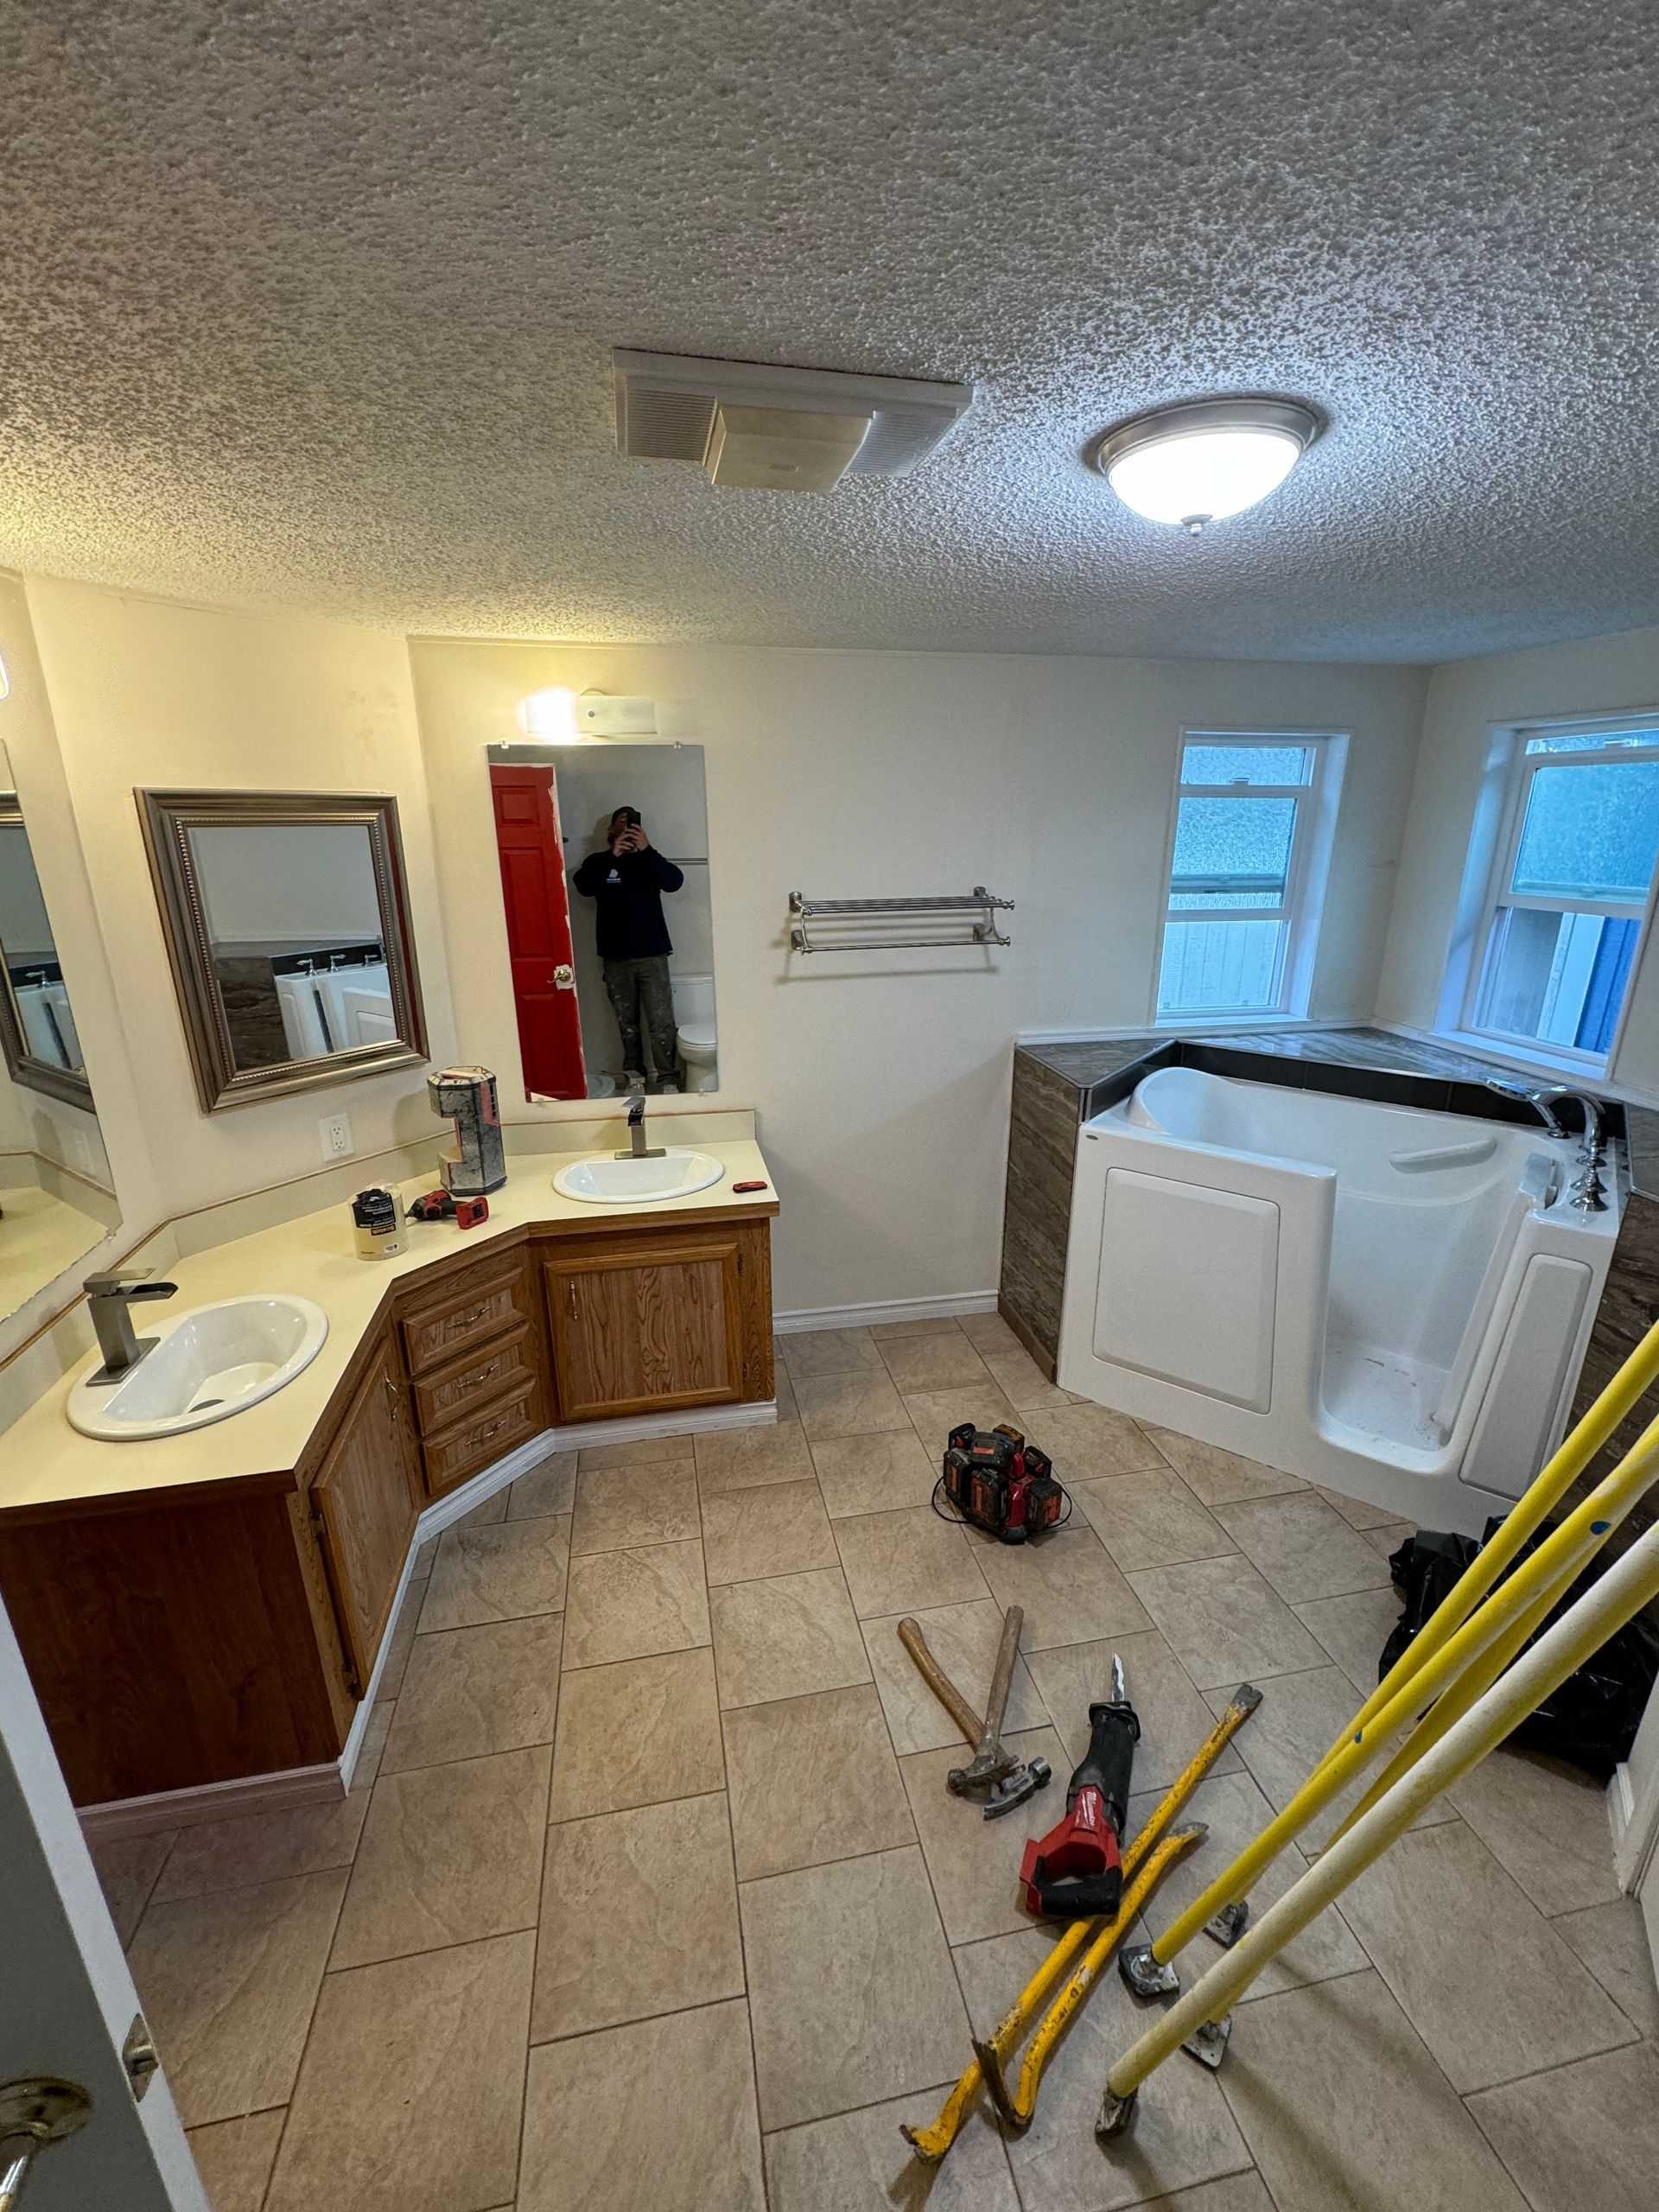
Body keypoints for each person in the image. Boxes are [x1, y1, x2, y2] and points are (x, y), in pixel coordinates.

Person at [572, 806, 685, 1091]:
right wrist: (614, 856)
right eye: (622, 823)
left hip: (653, 954)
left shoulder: (649, 860)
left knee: (661, 1021)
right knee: (627, 1021)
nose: (627, 827)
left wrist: (647, 849)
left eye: (633, 823)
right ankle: (635, 1072)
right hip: (616, 956)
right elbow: (583, 886)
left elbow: (674, 881)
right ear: (611, 830)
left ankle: (668, 1077)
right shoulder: (599, 862)